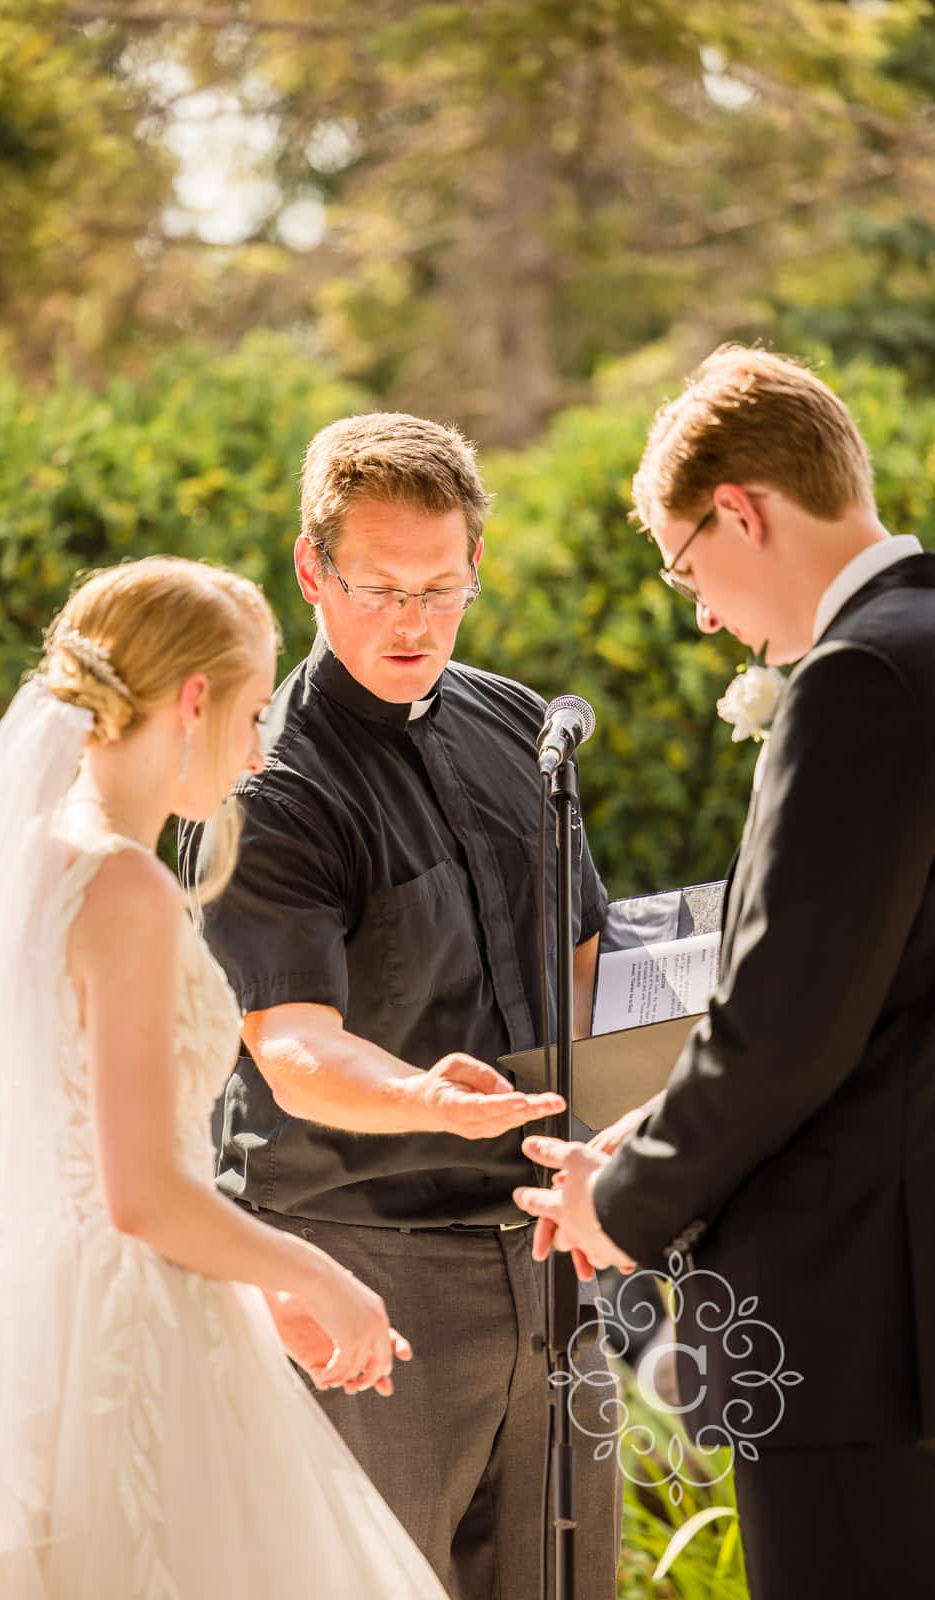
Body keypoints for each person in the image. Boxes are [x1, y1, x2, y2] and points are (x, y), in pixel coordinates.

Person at [0, 555, 454, 1598]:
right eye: (251, 714)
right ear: (194, 699)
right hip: (130, 1352)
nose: (256, 748)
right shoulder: (122, 883)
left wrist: (248, 1295)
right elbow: (140, 1193)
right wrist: (314, 1275)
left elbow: (78, 1169)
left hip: (46, 1332)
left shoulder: (47, 862)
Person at [512, 346, 935, 1599]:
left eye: (686, 564)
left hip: (867, 1311)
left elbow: (789, 1029)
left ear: (739, 511)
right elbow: (876, 994)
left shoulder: (858, 680)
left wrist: (616, 1194)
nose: (698, 609)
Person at [196, 413, 621, 1600]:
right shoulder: (268, 784)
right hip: (365, 1275)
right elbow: (291, 1047)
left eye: (443, 588)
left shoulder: (516, 726)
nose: (414, 622)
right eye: (380, 588)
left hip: (548, 1258)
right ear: (310, 570)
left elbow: (584, 951)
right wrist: (427, 1097)